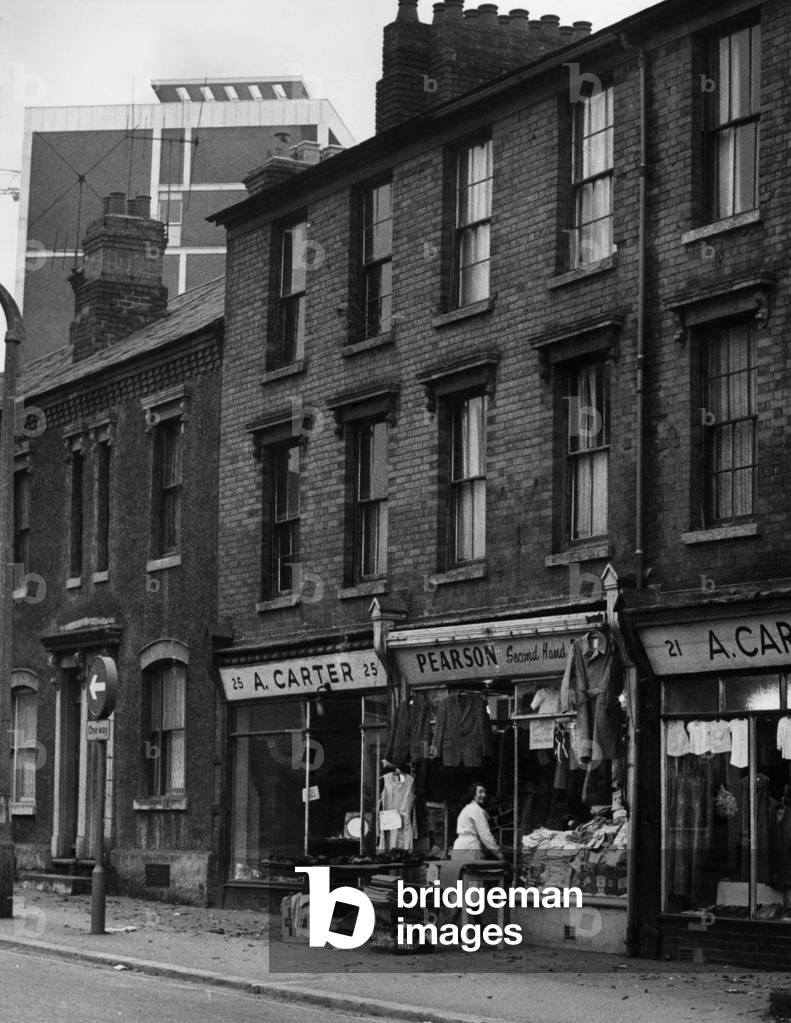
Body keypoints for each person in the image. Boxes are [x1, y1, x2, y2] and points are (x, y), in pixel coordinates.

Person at [450, 783, 503, 861]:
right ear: (473, 794)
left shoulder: (466, 809)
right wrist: (500, 854)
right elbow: (485, 836)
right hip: (471, 847)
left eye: (485, 792)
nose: (484, 795)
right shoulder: (477, 810)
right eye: (480, 792)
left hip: (458, 846)